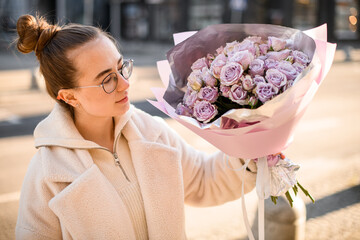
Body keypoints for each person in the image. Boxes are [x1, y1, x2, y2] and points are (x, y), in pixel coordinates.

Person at [15, 14, 257, 240]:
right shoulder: (48, 174)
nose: (124, 83)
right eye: (107, 79)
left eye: (121, 68)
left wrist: (251, 153)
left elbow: (205, 180)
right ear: (69, 97)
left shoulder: (150, 129)